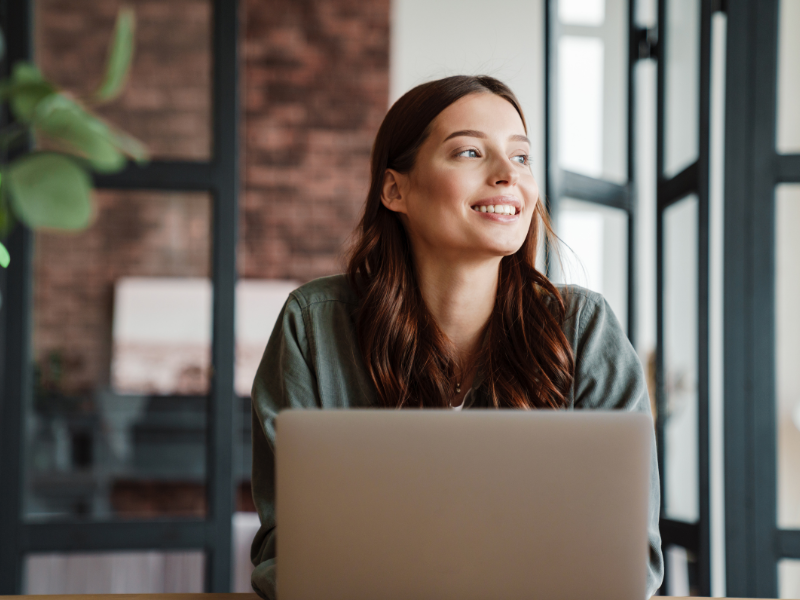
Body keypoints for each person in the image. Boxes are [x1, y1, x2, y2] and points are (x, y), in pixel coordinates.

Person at [249, 75, 664, 599]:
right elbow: (284, 555)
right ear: (395, 189)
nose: (506, 176)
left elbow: (631, 560)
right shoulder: (313, 326)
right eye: (470, 152)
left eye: (520, 157)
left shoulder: (584, 329)